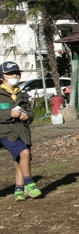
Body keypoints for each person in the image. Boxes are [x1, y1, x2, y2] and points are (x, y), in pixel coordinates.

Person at [0, 62, 41, 202]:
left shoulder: (22, 94)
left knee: (21, 159)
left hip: (22, 131)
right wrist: (9, 113)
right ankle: (29, 183)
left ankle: (19, 190)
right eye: (11, 73)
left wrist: (26, 116)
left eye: (17, 73)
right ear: (2, 77)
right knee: (23, 153)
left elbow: (30, 113)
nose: (15, 76)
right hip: (5, 132)